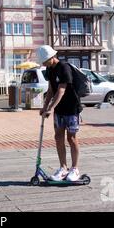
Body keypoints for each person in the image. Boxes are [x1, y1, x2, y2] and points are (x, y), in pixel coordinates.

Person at [38, 46, 83, 182]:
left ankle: (74, 169)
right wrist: (45, 106)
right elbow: (51, 89)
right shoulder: (49, 69)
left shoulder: (64, 67)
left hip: (71, 108)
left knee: (72, 138)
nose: (43, 64)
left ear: (51, 57)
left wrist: (50, 108)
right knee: (58, 137)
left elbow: (61, 90)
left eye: (44, 61)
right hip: (59, 110)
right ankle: (63, 168)